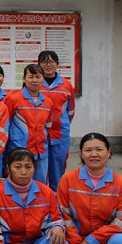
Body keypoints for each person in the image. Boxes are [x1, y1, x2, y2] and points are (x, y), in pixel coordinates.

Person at [4, 64, 53, 185]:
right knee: (18, 185)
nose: (35, 80)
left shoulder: (48, 102)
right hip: (19, 150)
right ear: (24, 79)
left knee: (39, 187)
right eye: (31, 77)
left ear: (43, 79)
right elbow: (5, 125)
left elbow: (48, 127)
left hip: (41, 152)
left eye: (38, 77)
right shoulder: (14, 99)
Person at [38, 51, 76, 190]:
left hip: (60, 134)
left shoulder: (66, 85)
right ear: (39, 64)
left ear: (57, 64)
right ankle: (41, 198)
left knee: (58, 170)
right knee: (39, 171)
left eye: (51, 62)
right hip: (39, 134)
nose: (48, 65)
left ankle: (57, 198)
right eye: (44, 62)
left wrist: (61, 123)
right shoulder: (35, 83)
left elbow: (71, 111)